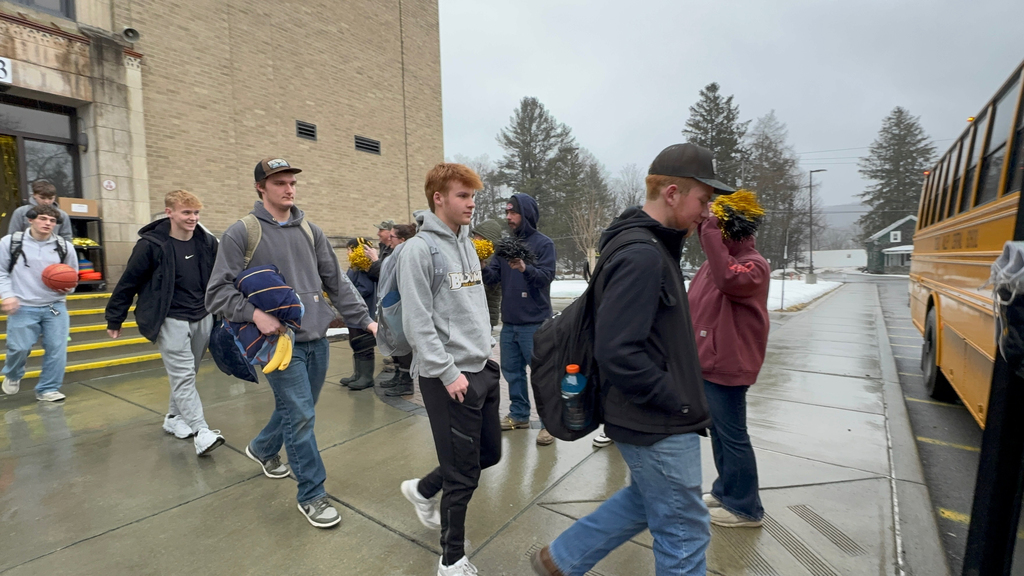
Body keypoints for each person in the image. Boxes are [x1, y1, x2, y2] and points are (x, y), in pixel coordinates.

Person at [531, 143, 735, 576]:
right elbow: (618, 349)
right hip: (656, 421)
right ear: (674, 193)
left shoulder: (650, 247)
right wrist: (677, 399)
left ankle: (562, 559)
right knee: (684, 531)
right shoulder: (642, 255)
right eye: (704, 200)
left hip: (649, 418)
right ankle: (562, 559)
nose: (708, 212)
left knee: (646, 500)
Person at [206, 157, 376, 529]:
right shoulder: (242, 232)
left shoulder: (310, 231)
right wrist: (256, 315)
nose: (288, 188)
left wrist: (364, 320)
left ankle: (263, 448)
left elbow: (336, 282)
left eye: (291, 182)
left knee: (297, 408)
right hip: (278, 343)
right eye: (279, 182)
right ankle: (312, 495)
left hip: (318, 339)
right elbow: (216, 292)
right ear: (261, 188)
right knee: (301, 416)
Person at [398, 163, 499, 576]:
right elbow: (417, 322)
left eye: (473, 196)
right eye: (462, 195)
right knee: (463, 475)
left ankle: (422, 489)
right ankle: (451, 559)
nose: (471, 203)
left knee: (488, 453)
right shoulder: (419, 251)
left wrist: (487, 351)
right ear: (438, 198)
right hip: (449, 378)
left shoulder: (469, 244)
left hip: (480, 368)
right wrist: (447, 371)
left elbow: (471, 305)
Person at [105, 190, 224, 455]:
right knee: (183, 376)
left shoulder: (207, 242)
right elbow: (128, 282)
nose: (193, 218)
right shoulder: (151, 245)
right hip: (170, 319)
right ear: (169, 212)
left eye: (196, 213)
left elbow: (221, 276)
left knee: (188, 374)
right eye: (186, 212)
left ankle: (173, 418)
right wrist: (115, 317)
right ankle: (201, 431)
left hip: (202, 316)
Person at [687, 190, 770, 528]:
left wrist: (709, 230)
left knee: (734, 436)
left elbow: (728, 279)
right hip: (708, 364)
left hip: (730, 366)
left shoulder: (754, 265)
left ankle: (746, 508)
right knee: (721, 434)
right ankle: (725, 491)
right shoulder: (712, 264)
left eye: (716, 226)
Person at [482, 194, 556, 446]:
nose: (508, 218)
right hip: (510, 323)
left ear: (527, 215)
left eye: (513, 213)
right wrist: (480, 265)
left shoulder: (544, 244)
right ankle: (519, 415)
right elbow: (493, 276)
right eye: (507, 212)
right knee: (512, 372)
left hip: (535, 323)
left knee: (541, 375)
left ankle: (550, 424)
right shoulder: (505, 246)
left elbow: (546, 277)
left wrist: (526, 268)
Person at [0, 203, 78, 401]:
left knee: (57, 349)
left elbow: (73, 275)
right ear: (30, 219)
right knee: (19, 348)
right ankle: (13, 374)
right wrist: (7, 295)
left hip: (54, 306)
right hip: (23, 305)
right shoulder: (10, 242)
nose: (48, 223)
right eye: (43, 218)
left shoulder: (64, 246)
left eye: (52, 220)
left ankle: (48, 389)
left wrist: (69, 287)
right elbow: (1, 272)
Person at [381, 223, 417, 397]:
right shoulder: (394, 252)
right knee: (395, 341)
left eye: (392, 236)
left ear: (402, 240)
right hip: (392, 300)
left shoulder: (405, 253)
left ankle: (406, 381)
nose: (389, 239)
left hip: (400, 302)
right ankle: (399, 376)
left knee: (403, 343)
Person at [340, 238, 378, 391]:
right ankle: (358, 374)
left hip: (363, 312)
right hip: (354, 313)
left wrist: (347, 294)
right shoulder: (355, 267)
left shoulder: (362, 268)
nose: (347, 252)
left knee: (364, 344)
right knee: (355, 343)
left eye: (349, 249)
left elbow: (365, 289)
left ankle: (366, 377)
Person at [9, 180, 73, 242]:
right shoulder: (21, 212)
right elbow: (13, 235)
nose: (46, 201)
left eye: (50, 198)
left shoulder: (62, 215)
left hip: (53, 250)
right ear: (34, 195)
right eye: (42, 198)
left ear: (55, 197)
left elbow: (66, 237)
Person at [471, 219, 504, 329]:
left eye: (477, 236)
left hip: (485, 316)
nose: (474, 239)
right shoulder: (478, 255)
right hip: (477, 316)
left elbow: (488, 288)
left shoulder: (494, 259)